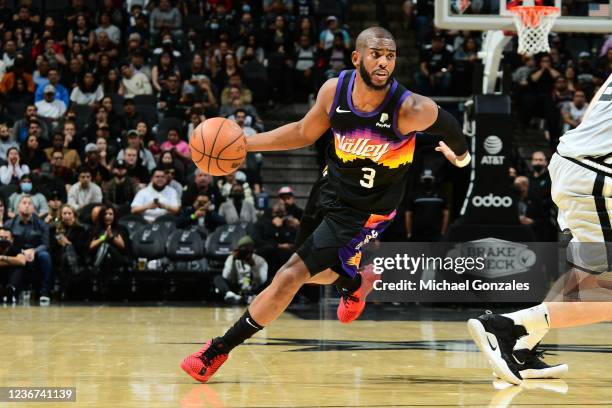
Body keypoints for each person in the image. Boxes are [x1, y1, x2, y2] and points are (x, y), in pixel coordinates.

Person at [180, 27, 471, 383]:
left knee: (290, 275)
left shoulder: (409, 109)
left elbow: (453, 127)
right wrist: (244, 146)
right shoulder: (335, 91)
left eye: (390, 55)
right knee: (318, 273)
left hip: (366, 211)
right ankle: (355, 284)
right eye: (376, 53)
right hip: (329, 190)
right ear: (357, 58)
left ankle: (216, 351)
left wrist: (460, 157)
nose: (384, 61)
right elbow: (304, 132)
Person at [467, 73, 612, 385]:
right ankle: (504, 327)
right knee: (607, 287)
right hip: (595, 176)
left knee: (584, 278)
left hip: (578, 163)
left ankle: (522, 346)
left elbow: (594, 106)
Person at [5, 195, 53, 305]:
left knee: (45, 255)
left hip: (36, 254)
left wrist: (33, 251)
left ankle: (45, 292)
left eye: (29, 204)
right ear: (18, 207)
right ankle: (11, 290)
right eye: (24, 203)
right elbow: (7, 243)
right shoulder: (10, 224)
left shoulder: (42, 224)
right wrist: (21, 252)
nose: (27, 206)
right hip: (17, 254)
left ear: (33, 208)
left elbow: (45, 244)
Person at [214, 236, 268, 304]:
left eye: (248, 249)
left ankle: (254, 297)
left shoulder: (260, 260)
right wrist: (233, 262)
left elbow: (262, 281)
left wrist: (254, 266)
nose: (245, 252)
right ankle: (232, 296)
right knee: (218, 278)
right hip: (237, 287)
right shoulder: (232, 258)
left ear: (253, 249)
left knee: (270, 281)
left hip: (254, 288)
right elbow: (226, 277)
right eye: (243, 250)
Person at [405, 169, 449, 242]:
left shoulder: (441, 195)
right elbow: (408, 214)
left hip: (435, 233)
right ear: (421, 180)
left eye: (429, 179)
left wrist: (443, 231)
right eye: (425, 179)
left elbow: (446, 214)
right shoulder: (415, 195)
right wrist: (409, 232)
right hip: (418, 233)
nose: (427, 182)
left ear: (433, 180)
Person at [0, 228, 28, 304]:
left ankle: (11, 290)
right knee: (16, 264)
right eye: (1, 237)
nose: (3, 240)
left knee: (19, 268)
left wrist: (2, 258)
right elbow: (18, 261)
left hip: (11, 279)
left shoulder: (15, 249)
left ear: (11, 239)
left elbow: (22, 261)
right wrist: (13, 261)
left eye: (6, 238)